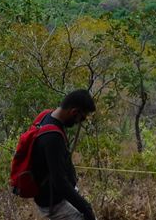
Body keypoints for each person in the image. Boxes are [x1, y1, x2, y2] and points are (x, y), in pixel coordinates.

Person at [32, 89, 96, 220]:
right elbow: (59, 182)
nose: (80, 121)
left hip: (56, 194)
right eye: (82, 117)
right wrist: (86, 208)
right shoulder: (52, 137)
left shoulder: (48, 116)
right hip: (54, 202)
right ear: (74, 112)